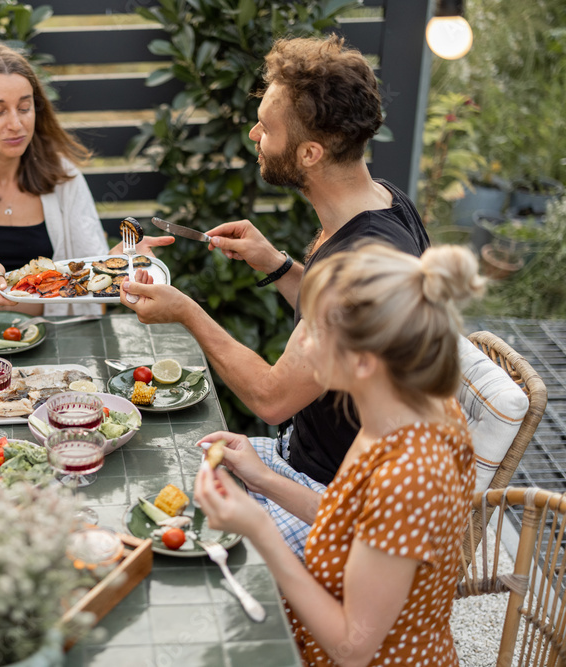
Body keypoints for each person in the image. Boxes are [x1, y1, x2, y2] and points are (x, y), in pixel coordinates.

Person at [121, 35, 429, 554]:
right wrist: (279, 265)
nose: (254, 133)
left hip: (330, 497)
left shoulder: (361, 266)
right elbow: (338, 322)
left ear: (310, 153)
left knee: (170, 548)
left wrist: (187, 314)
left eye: (267, 126)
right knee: (151, 464)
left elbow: (271, 396)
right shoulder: (383, 203)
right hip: (297, 454)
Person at [195, 242, 483, 666]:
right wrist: (264, 480)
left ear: (363, 361)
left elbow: (353, 647)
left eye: (312, 329)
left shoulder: (412, 475)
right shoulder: (399, 406)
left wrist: (258, 528)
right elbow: (351, 516)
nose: (299, 342)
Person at [0, 42, 172, 319]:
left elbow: (94, 273)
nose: (16, 124)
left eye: (24, 108)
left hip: (64, 346)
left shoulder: (63, 176)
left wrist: (122, 260)